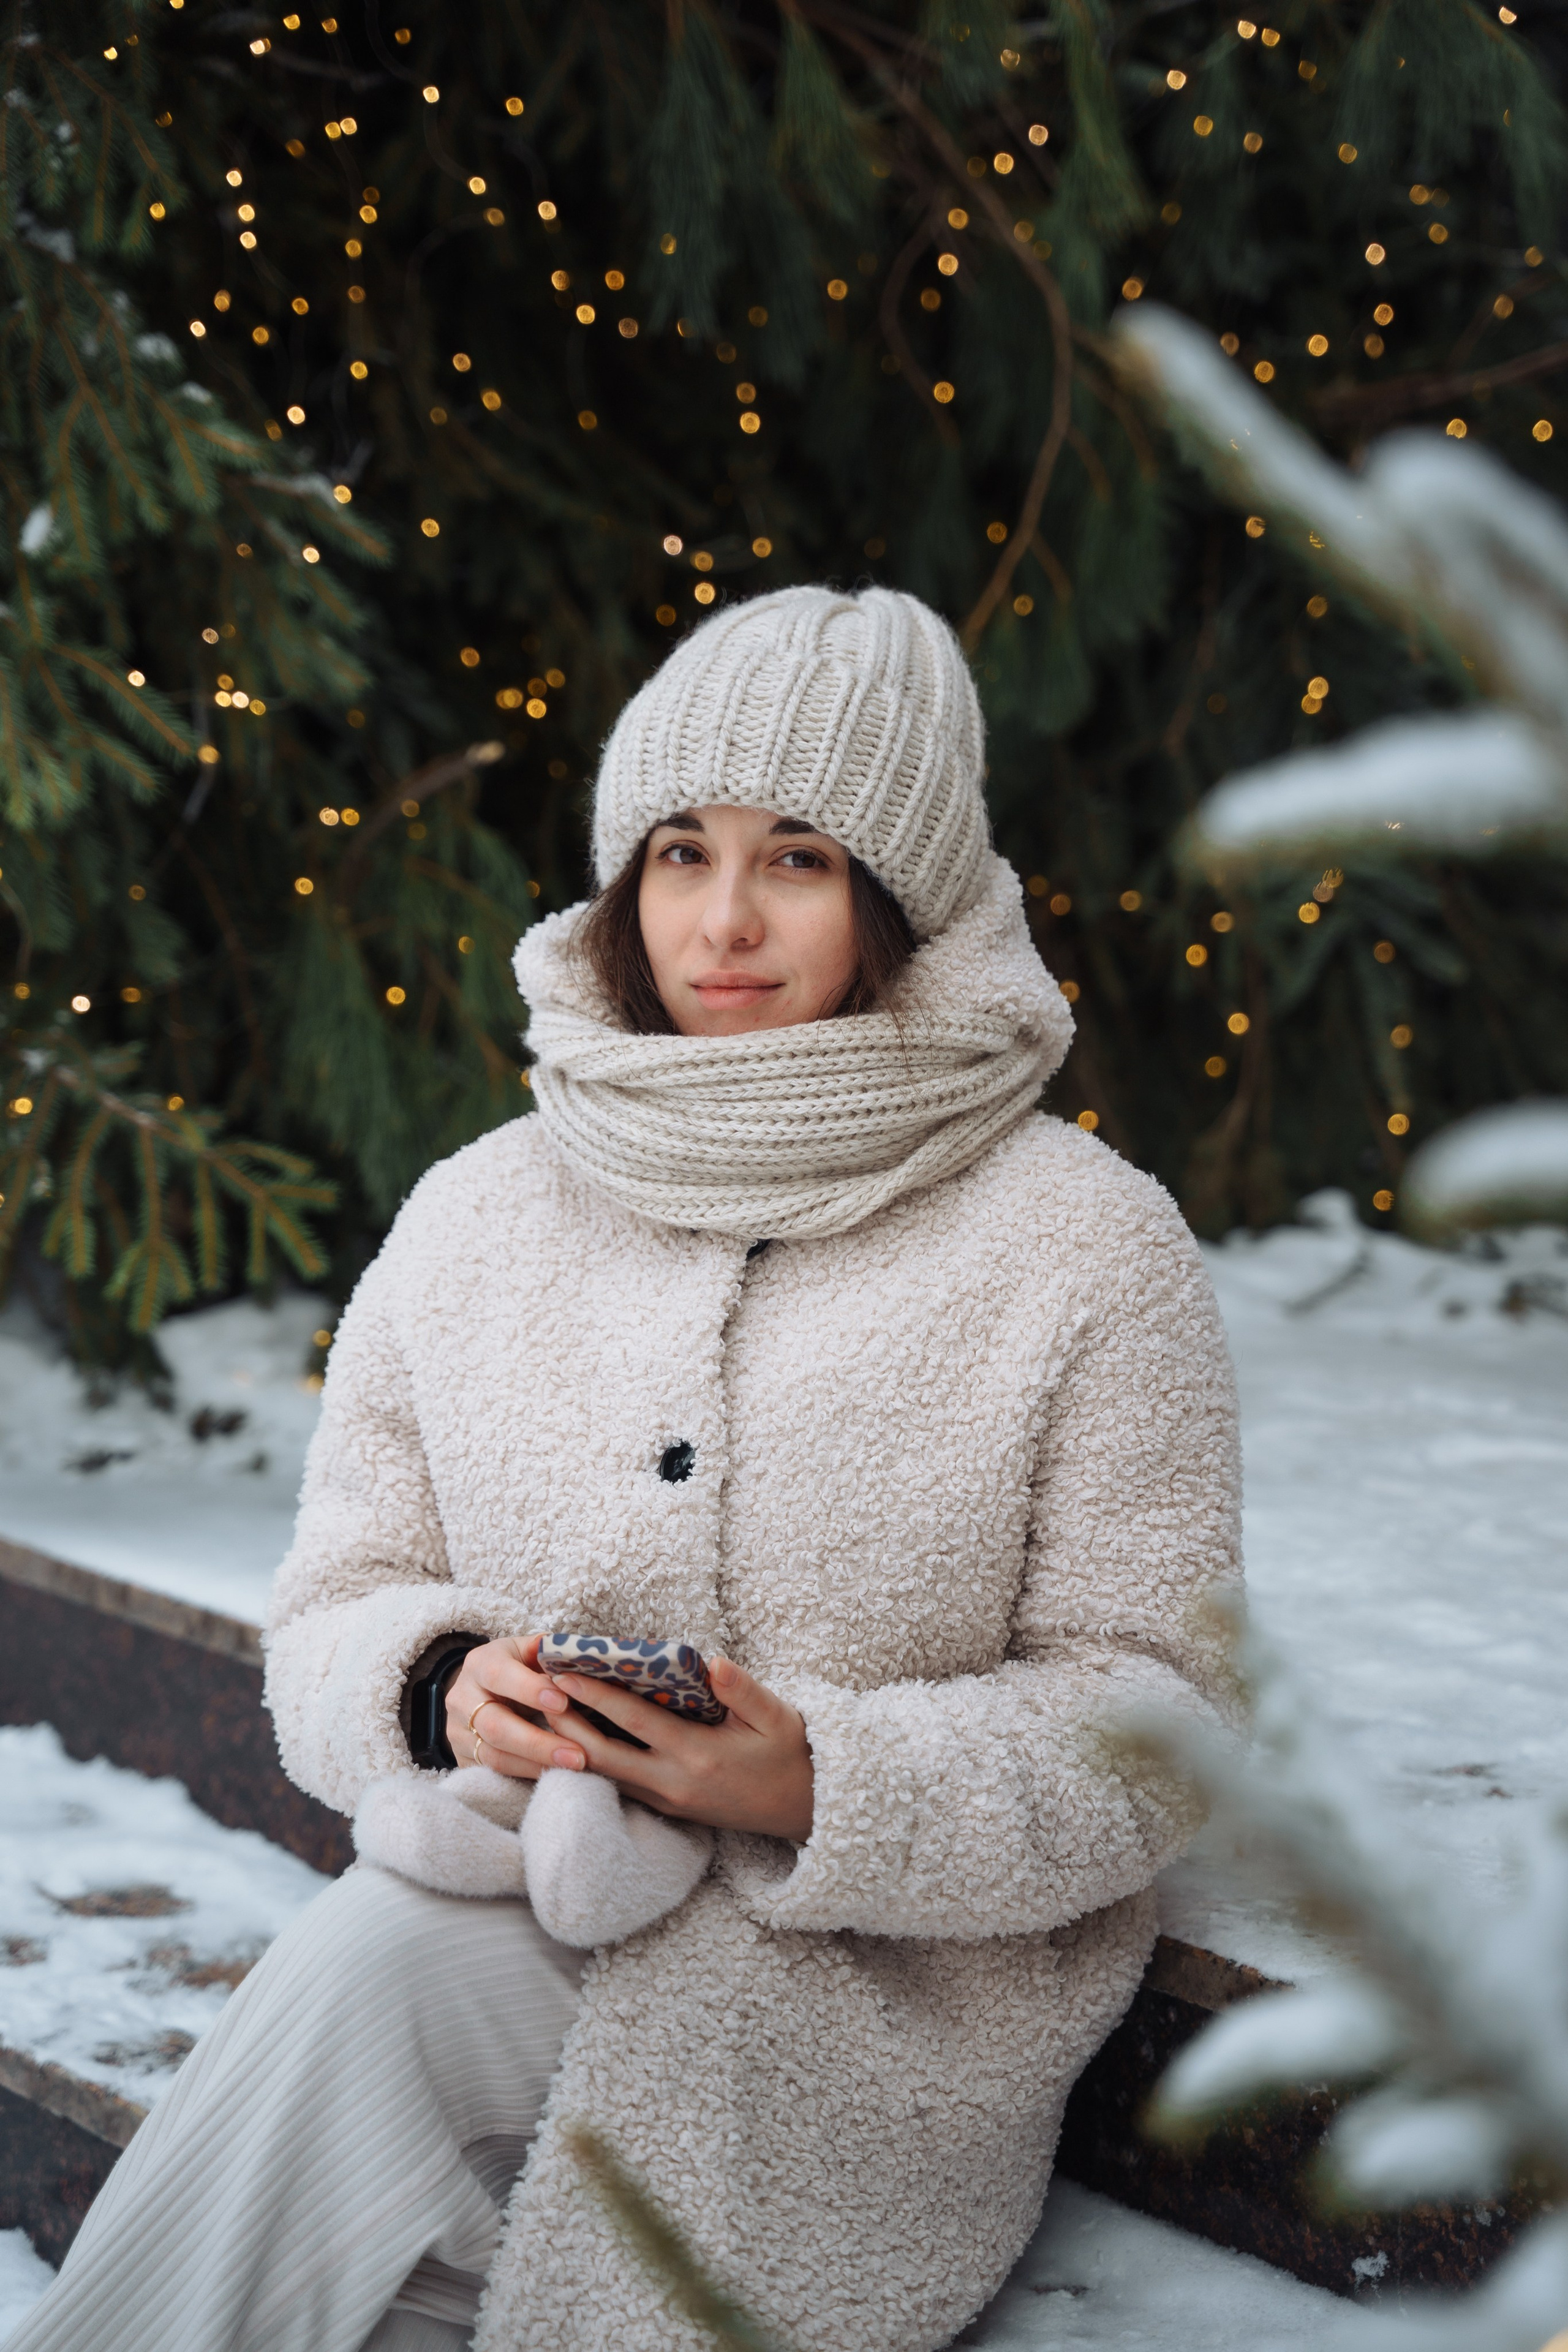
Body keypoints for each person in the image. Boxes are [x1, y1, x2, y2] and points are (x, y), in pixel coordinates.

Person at [13, 586, 1242, 2352]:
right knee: (377, 2008)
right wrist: (445, 1691)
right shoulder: (483, 1212)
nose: (723, 921)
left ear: (902, 894)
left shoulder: (1084, 1244)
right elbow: (336, 1609)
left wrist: (820, 1779)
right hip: (520, 1901)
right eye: (680, 851)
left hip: (859, 2012)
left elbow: (1165, 1718)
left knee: (368, 2011)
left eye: (799, 858)